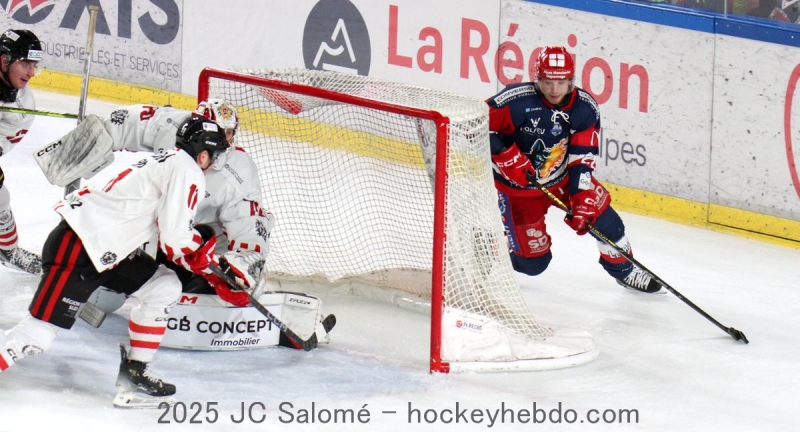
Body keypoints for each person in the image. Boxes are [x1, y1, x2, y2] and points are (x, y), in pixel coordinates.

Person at [0, 116, 238, 408]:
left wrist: (200, 254)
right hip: (80, 247)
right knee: (37, 334)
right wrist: (204, 257)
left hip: (107, 250)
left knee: (163, 286)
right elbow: (176, 238)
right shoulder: (188, 171)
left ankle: (134, 375)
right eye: (214, 155)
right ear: (203, 153)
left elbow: (169, 235)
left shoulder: (168, 161)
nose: (214, 162)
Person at [91, 99, 333, 348]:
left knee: (200, 296)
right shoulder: (173, 126)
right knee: (102, 297)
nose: (223, 139)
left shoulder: (238, 170)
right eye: (217, 131)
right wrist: (95, 136)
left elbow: (249, 221)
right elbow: (134, 122)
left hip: (198, 252)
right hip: (156, 235)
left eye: (229, 132)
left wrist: (241, 263)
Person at [485, 46, 662, 293]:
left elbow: (583, 157)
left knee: (605, 220)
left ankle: (626, 271)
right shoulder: (514, 102)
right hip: (519, 192)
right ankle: (492, 246)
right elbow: (474, 123)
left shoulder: (584, 108)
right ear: (538, 79)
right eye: (547, 82)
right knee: (533, 264)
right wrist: (504, 154)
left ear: (571, 81)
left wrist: (581, 198)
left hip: (562, 180)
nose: (554, 90)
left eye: (561, 82)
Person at [0, 29, 43, 274]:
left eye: (34, 64)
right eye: (25, 63)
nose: (31, 72)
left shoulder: (24, 104)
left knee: (0, 198)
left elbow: (4, 141)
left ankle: (8, 250)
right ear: (4, 60)